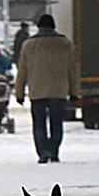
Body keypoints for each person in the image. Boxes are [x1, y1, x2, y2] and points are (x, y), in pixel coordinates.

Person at [14, 13, 79, 163]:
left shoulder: (29, 45)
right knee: (56, 122)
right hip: (58, 90)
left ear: (38, 27)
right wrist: (74, 92)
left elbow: (22, 70)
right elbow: (73, 70)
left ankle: (43, 151)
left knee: (39, 123)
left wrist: (19, 92)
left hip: (37, 91)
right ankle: (54, 150)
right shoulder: (65, 44)